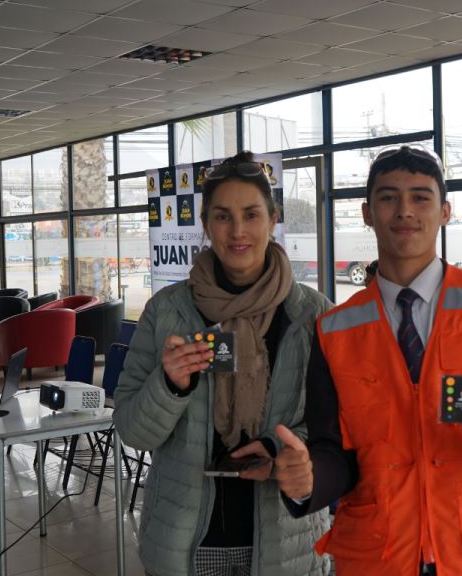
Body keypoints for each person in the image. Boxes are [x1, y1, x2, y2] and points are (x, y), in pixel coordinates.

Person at [273, 145, 462, 576]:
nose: (405, 211)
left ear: (445, 211)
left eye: (421, 197)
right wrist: (310, 479)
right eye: (389, 197)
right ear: (368, 213)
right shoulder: (334, 328)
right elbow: (334, 449)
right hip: (380, 553)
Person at [113, 152, 333, 576]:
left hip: (283, 541)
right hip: (186, 542)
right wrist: (170, 385)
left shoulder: (313, 315)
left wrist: (277, 446)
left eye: (251, 215)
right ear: (205, 222)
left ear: (272, 219)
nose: (237, 231)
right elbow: (132, 431)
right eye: (222, 216)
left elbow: (337, 428)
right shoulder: (167, 312)